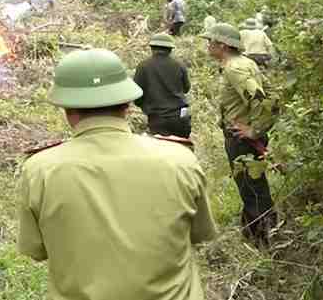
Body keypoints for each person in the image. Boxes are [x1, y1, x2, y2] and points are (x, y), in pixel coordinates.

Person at [18, 49, 217, 300]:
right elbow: (199, 233)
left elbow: (36, 250)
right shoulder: (180, 160)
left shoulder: (39, 171)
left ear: (67, 108)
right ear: (127, 105)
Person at [202, 23, 277, 247]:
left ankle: (264, 240)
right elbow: (271, 93)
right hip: (246, 136)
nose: (207, 46)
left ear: (222, 45)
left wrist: (254, 130)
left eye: (210, 42)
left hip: (243, 139)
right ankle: (253, 233)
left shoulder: (234, 68)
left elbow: (262, 99)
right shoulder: (246, 63)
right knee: (253, 186)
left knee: (252, 189)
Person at [133, 33, 192, 138]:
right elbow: (186, 89)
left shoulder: (143, 66)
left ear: (152, 48)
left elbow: (137, 95)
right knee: (182, 149)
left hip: (157, 119)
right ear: (170, 49)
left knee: (162, 151)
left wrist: (145, 107)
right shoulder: (179, 65)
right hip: (180, 117)